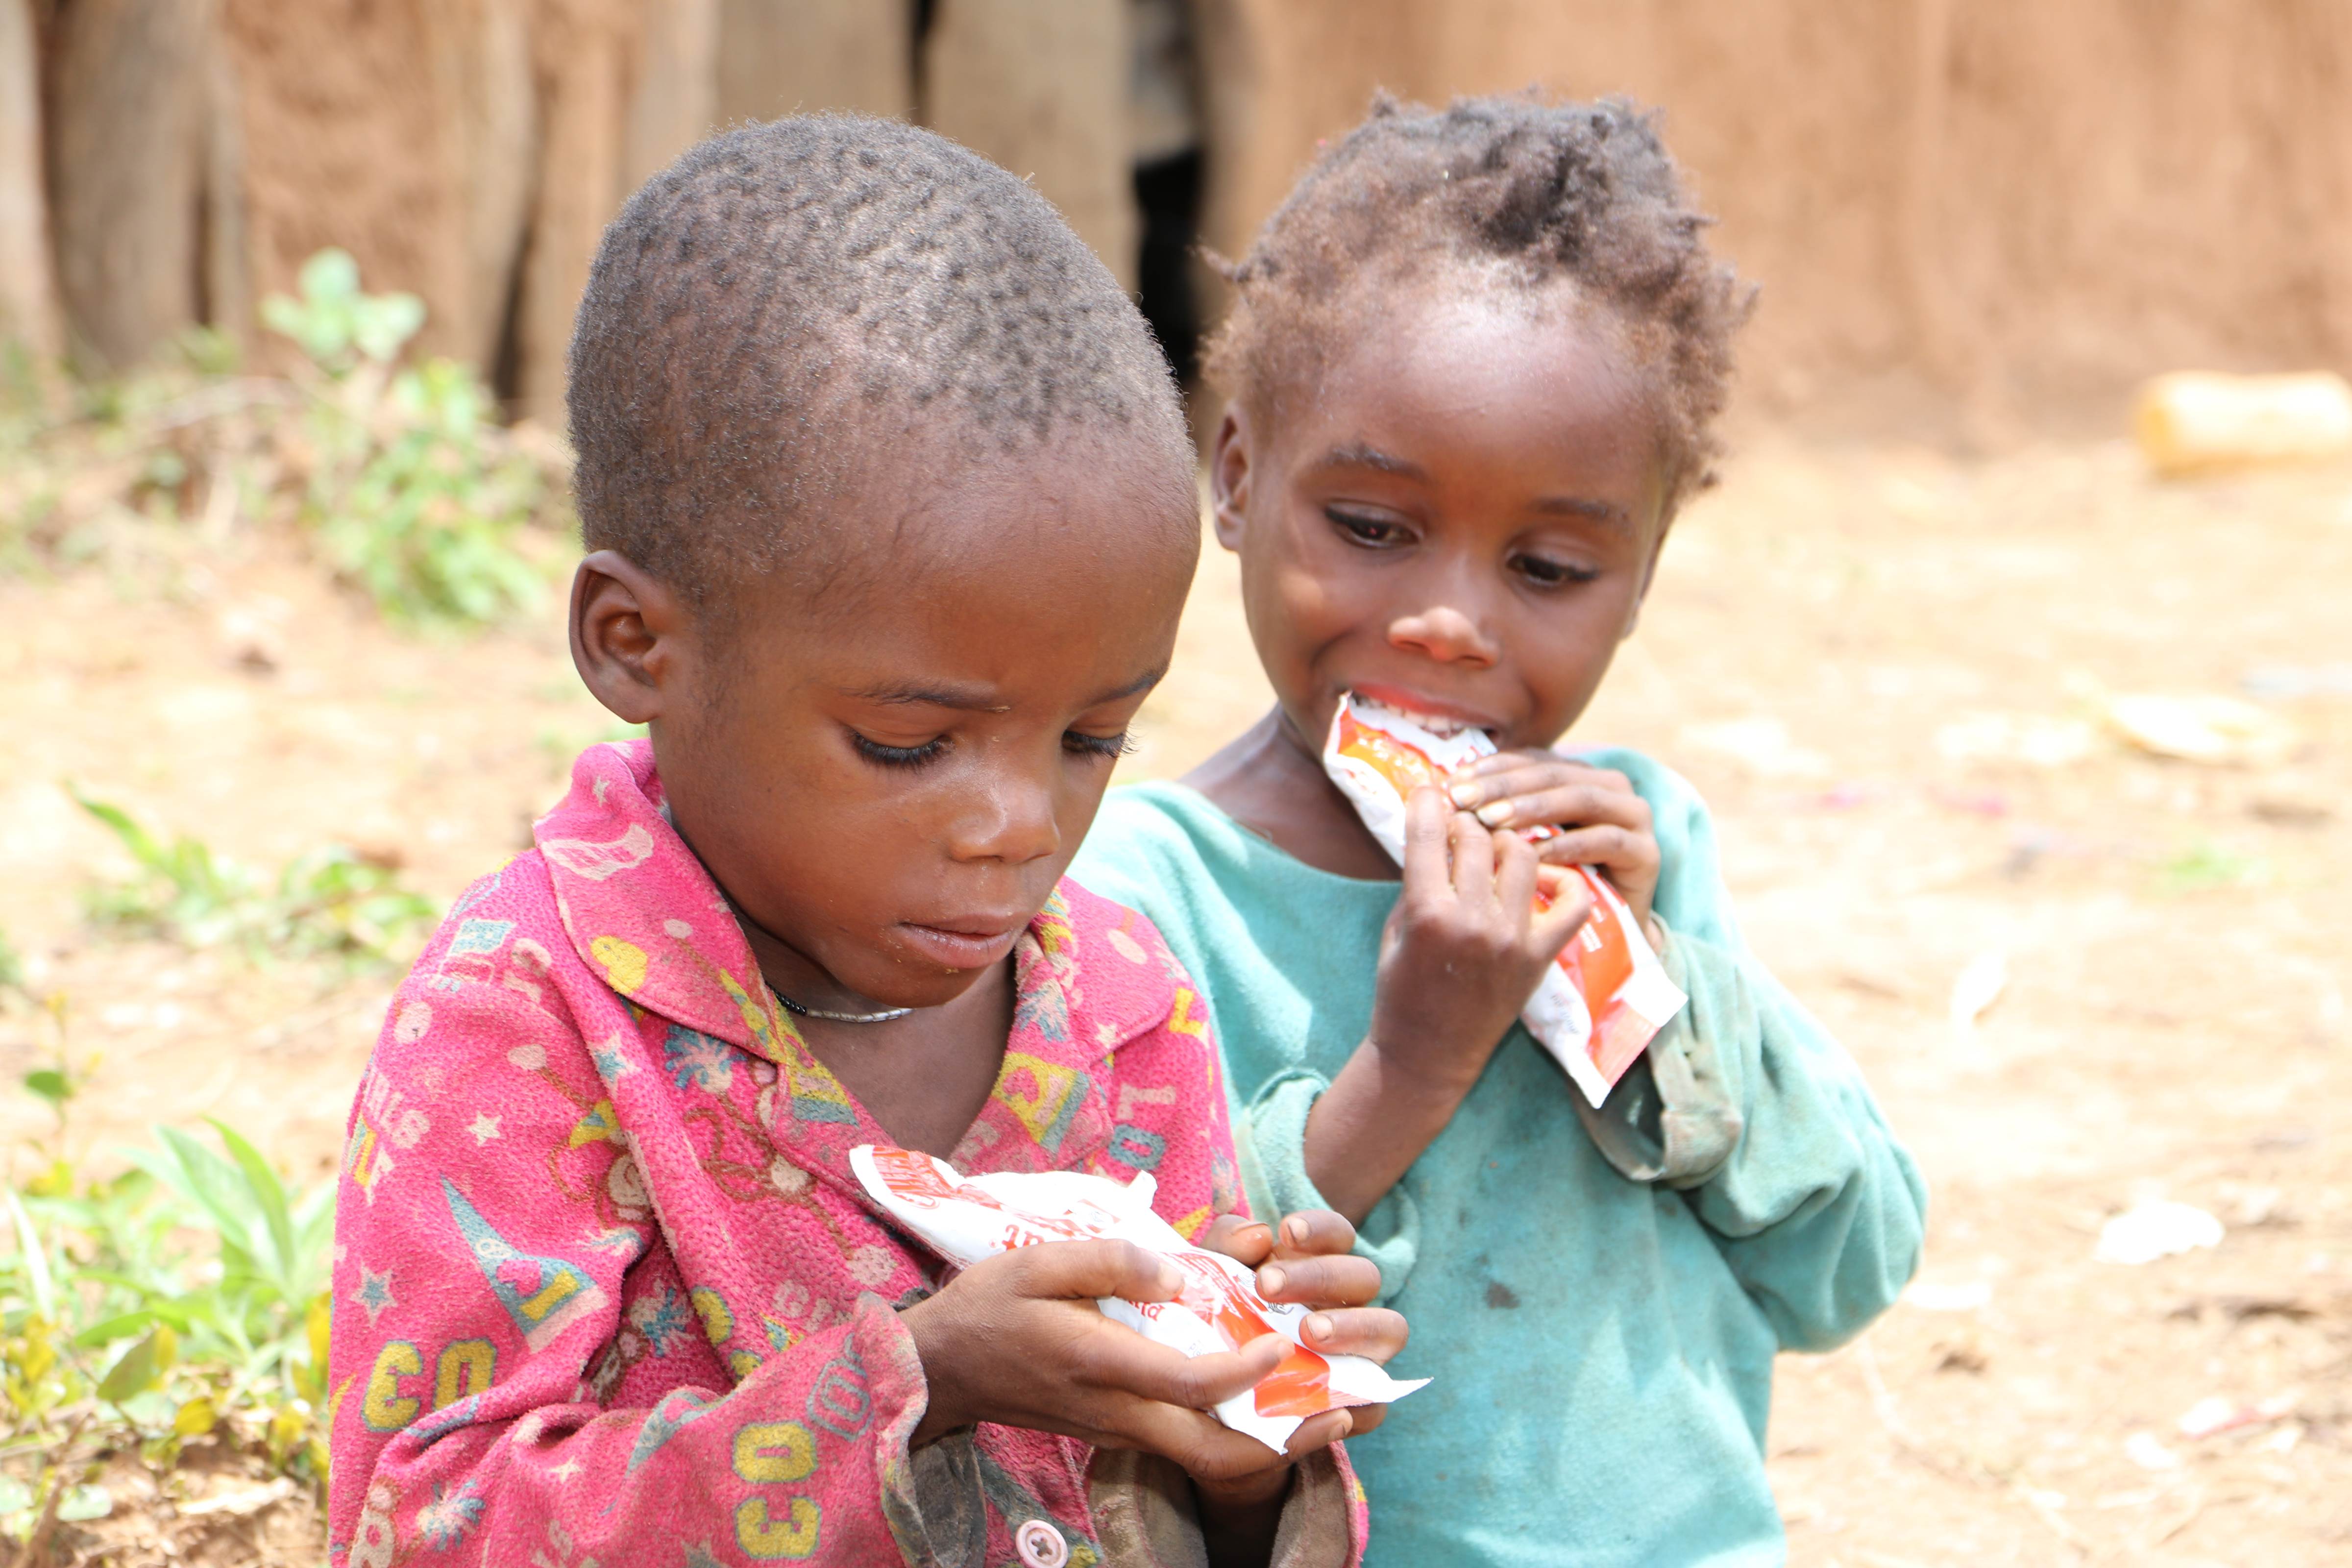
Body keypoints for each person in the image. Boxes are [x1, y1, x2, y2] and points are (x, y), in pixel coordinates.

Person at [326, 116, 1407, 1568]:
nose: (1019, 828)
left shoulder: (1123, 1010)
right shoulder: (525, 1022)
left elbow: (1175, 1516)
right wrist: (922, 1384)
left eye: (1095, 738)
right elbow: (426, 1528)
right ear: (636, 643)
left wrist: (1240, 1422)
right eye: (909, 744)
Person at [1069, 95, 1927, 1566]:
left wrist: (1648, 986)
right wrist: (1413, 1058)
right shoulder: (1138, 890)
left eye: (1547, 564)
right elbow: (1149, 1343)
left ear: (1641, 576)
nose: (1449, 622)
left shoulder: (1638, 843)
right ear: (1236, 480)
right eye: (1373, 527)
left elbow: (1849, 1268)